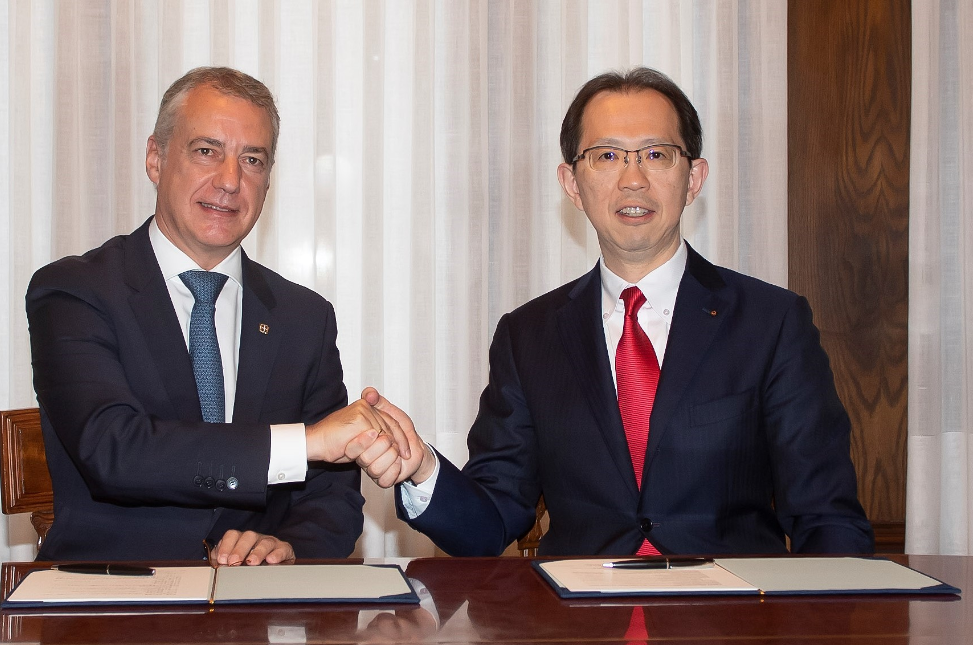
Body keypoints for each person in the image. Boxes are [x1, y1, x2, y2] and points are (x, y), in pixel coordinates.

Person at [359, 67, 874, 556]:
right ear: (571, 184)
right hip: (580, 609)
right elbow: (491, 521)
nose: (633, 179)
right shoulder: (529, 336)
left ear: (694, 178)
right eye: (607, 156)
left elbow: (827, 518)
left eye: (657, 154)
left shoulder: (771, 323)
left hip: (727, 608)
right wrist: (421, 469)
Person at [27, 67, 406, 564]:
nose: (230, 180)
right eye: (206, 151)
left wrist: (290, 548)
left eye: (252, 160)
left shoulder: (304, 317)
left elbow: (332, 497)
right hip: (112, 593)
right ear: (155, 159)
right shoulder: (75, 291)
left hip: (254, 601)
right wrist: (305, 442)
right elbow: (113, 450)